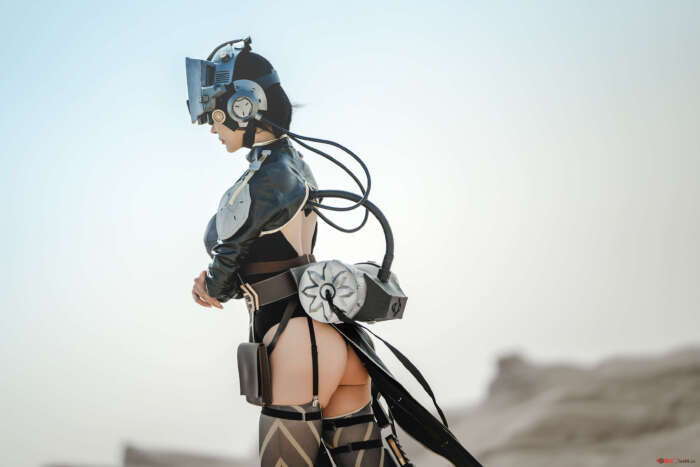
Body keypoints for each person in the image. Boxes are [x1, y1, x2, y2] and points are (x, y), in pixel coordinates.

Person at [187, 38, 481, 467]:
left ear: (245, 106)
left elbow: (226, 270)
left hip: (295, 347)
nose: (211, 126)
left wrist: (209, 285)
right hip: (340, 344)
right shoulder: (295, 165)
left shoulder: (264, 178)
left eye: (215, 113)